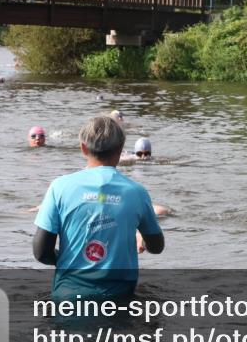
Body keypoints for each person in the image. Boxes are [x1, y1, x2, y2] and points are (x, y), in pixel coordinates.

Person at [32, 116, 164, 300]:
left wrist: (66, 260)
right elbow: (157, 247)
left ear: (83, 148)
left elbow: (41, 252)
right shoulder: (137, 192)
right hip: (119, 297)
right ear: (120, 149)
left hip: (67, 296)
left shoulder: (59, 187)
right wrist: (143, 240)